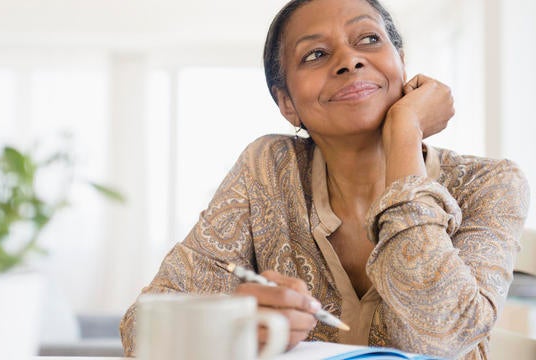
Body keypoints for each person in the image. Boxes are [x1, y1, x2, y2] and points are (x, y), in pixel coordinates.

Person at [119, 0, 530, 358]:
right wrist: (231, 322)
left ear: (401, 64)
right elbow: (142, 330)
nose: (349, 60)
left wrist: (405, 132)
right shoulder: (266, 169)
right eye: (315, 54)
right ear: (287, 105)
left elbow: (444, 334)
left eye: (368, 39)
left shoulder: (488, 183)